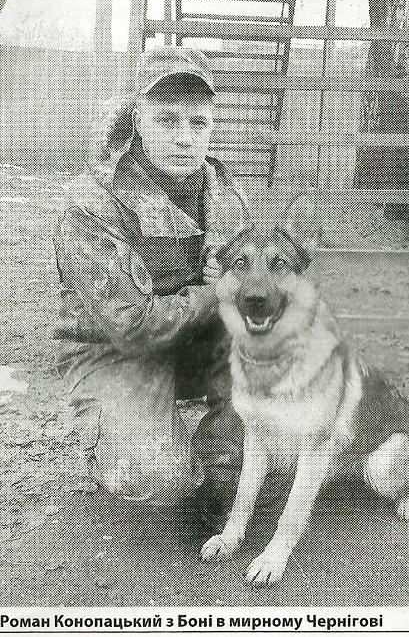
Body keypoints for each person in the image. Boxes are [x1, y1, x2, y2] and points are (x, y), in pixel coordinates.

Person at [53, 46, 286, 517]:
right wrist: (214, 293)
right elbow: (132, 327)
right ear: (138, 120)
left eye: (198, 123)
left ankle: (223, 456)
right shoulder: (94, 202)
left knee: (271, 441)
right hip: (115, 354)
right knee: (157, 477)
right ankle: (143, 446)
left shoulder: (225, 193)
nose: (184, 138)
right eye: (167, 120)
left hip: (200, 345)